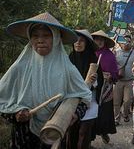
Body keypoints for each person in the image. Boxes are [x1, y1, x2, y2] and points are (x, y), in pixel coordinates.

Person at [0, 12, 92, 149]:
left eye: (46, 36)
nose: (40, 40)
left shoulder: (68, 69)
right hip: (23, 135)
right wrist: (16, 114)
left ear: (55, 38)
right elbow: (3, 101)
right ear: (30, 39)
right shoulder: (19, 67)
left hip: (53, 134)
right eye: (35, 36)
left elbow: (84, 98)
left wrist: (74, 115)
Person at [66, 29, 102, 149]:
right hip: (72, 100)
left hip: (89, 101)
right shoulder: (69, 58)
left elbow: (100, 82)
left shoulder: (94, 60)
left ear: (86, 44)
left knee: (83, 132)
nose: (78, 43)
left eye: (81, 41)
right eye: (76, 40)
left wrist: (95, 80)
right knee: (71, 131)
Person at [91, 30, 118, 144]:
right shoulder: (90, 53)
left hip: (106, 88)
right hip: (92, 86)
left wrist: (111, 76)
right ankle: (89, 138)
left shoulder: (110, 55)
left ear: (105, 42)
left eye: (101, 40)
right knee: (90, 109)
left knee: (104, 111)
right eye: (97, 39)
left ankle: (104, 131)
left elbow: (115, 72)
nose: (99, 42)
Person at [114, 34, 134, 125]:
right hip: (118, 80)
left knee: (128, 100)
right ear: (120, 43)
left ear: (131, 43)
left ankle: (125, 113)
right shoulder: (116, 52)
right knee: (116, 101)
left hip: (129, 80)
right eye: (124, 41)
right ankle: (116, 119)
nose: (126, 43)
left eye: (128, 41)